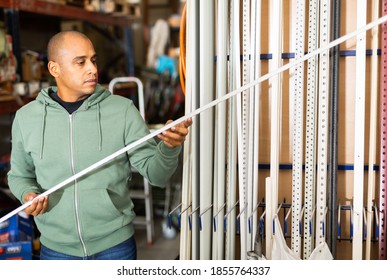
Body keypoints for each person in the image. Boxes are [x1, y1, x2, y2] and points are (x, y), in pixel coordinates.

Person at [7, 30, 192, 260]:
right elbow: (19, 176)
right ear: (55, 69)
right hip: (55, 251)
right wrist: (27, 194)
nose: (92, 69)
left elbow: (158, 176)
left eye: (93, 60)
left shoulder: (122, 110)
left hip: (115, 248)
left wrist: (169, 148)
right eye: (80, 62)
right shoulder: (27, 117)